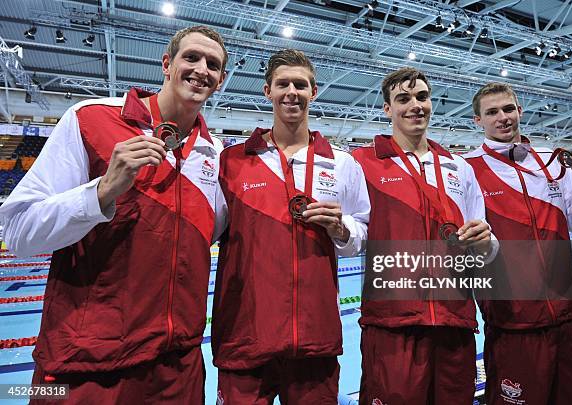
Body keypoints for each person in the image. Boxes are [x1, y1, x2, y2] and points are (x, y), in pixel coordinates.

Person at [0, 25, 228, 403]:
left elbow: (209, 238)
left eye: (213, 64)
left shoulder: (215, 155)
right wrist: (101, 191)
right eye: (191, 57)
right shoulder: (90, 119)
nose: (201, 69)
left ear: (220, 81)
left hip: (176, 371)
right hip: (85, 368)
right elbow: (19, 232)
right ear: (167, 64)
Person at [211, 49, 370, 404]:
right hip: (245, 337)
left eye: (300, 84)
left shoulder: (342, 164)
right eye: (283, 84)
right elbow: (207, 230)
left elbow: (361, 234)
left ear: (313, 91)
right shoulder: (233, 161)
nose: (291, 92)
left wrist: (341, 228)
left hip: (316, 340)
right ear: (267, 90)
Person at [352, 67, 496, 404]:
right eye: (403, 99)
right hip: (392, 327)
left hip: (455, 324)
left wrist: (486, 243)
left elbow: (485, 249)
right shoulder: (361, 163)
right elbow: (351, 239)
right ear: (387, 108)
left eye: (422, 97)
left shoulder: (460, 168)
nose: (415, 105)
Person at [464, 82, 572, 405]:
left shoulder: (551, 161)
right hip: (514, 328)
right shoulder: (468, 169)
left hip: (569, 322)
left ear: (520, 111)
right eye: (492, 112)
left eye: (509, 109)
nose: (503, 117)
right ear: (477, 121)